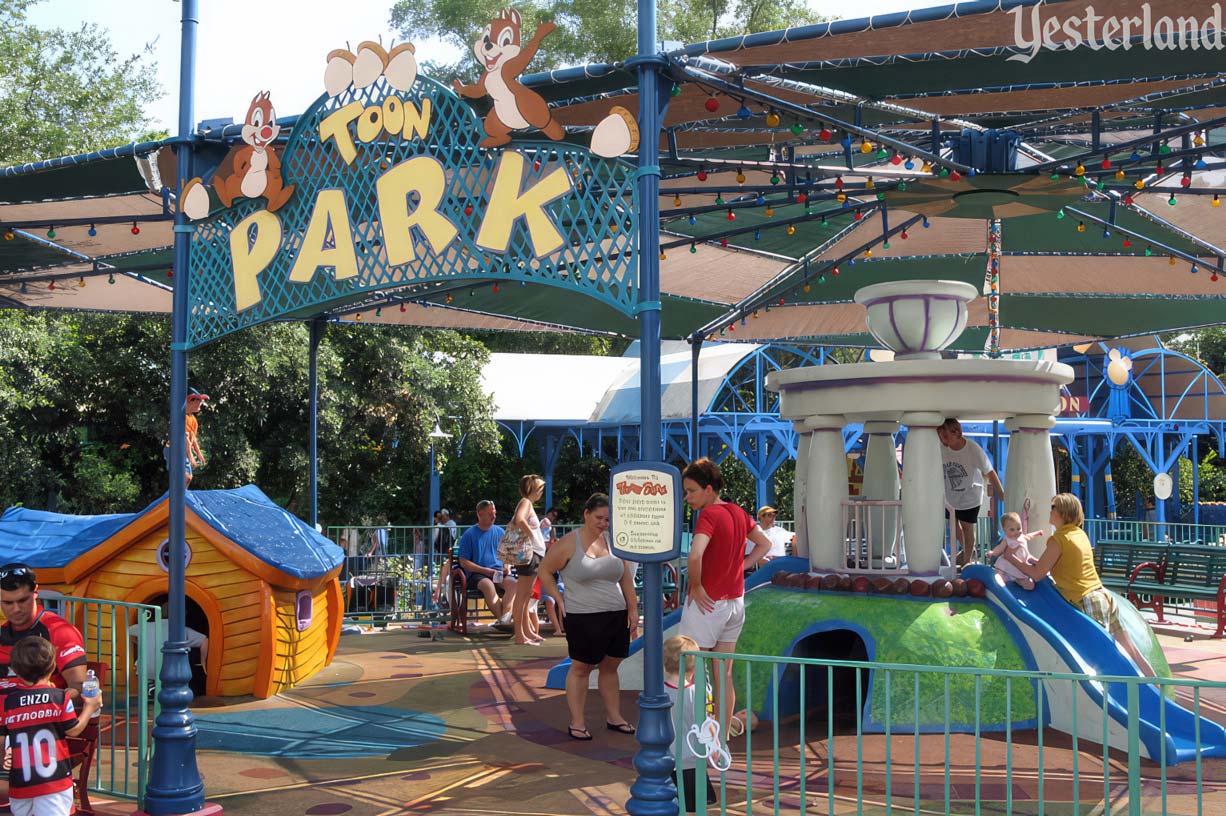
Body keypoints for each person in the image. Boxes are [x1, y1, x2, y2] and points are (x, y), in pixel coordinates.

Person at [1006, 493, 1156, 676]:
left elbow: (1037, 574)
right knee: (1131, 651)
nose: (1050, 510)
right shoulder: (1079, 534)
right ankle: (1156, 687)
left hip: (1086, 600)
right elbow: (1052, 564)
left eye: (1053, 507)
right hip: (1104, 597)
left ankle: (1107, 696)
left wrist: (1011, 559)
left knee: (1099, 658)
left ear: (1063, 512)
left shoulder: (1059, 539)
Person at [681, 458, 772, 740]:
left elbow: (695, 555)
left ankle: (695, 736)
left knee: (691, 671)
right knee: (724, 673)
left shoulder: (708, 516)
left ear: (709, 489)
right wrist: (742, 566)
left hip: (708, 603)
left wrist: (695, 585)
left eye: (691, 491)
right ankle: (719, 738)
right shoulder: (738, 512)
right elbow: (765, 544)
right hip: (735, 602)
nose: (687, 497)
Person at [538, 493, 638, 741]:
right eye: (599, 518)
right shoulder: (569, 543)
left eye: (607, 519)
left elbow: (625, 578)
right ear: (586, 514)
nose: (604, 523)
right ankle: (577, 722)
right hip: (582, 615)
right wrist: (558, 599)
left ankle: (614, 716)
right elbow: (545, 571)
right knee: (581, 667)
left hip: (615, 614)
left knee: (611, 665)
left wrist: (633, 609)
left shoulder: (614, 542)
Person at [1, 638, 100, 816]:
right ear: (53, 666)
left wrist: (9, 751)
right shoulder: (59, 697)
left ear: (15, 670)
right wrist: (90, 707)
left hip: (20, 783)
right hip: (53, 782)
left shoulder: (9, 702)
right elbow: (73, 729)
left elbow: (5, 736)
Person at [0, 565, 87, 696]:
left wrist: (43, 703)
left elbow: (80, 689)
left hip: (46, 712)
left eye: (23, 600)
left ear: (36, 592)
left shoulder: (61, 631)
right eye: (8, 603)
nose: (16, 609)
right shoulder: (2, 633)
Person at [937, 418, 1004, 567]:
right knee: (953, 527)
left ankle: (967, 560)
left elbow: (990, 471)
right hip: (950, 496)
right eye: (940, 436)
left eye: (946, 436)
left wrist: (1001, 493)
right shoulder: (942, 448)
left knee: (967, 527)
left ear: (957, 433)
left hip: (971, 495)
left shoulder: (973, 449)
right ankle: (969, 550)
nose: (943, 440)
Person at [664, 634, 718, 813]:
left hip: (666, 759)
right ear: (694, 665)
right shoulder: (697, 692)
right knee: (695, 807)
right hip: (692, 760)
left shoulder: (659, 691)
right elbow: (705, 724)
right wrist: (715, 747)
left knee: (670, 804)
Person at [127, 605, 209, 697]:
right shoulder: (181, 630)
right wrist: (203, 662)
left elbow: (128, 631)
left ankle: (152, 687)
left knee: (151, 674)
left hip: (145, 670)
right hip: (170, 672)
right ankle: (169, 689)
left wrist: (141, 642)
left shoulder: (143, 626)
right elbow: (204, 640)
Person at [456, 501, 516, 623]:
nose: (493, 516)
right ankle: (504, 622)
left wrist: (507, 567)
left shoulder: (500, 532)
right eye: (490, 513)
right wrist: (486, 571)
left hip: (498, 572)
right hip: (478, 574)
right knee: (488, 586)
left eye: (494, 513)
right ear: (480, 514)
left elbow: (507, 556)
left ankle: (505, 620)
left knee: (513, 584)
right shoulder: (469, 534)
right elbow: (464, 562)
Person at [507, 475, 549, 646]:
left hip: (534, 554)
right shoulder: (525, 502)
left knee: (525, 596)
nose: (541, 492)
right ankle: (519, 635)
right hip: (530, 555)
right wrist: (532, 535)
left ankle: (526, 631)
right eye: (539, 488)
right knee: (522, 596)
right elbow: (519, 520)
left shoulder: (528, 504)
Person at [987, 512, 1046, 590]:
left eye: (1019, 528)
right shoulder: (1007, 540)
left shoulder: (1022, 537)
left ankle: (1022, 581)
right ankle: (999, 581)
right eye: (1012, 530)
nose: (1016, 532)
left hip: (1019, 563)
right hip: (1008, 563)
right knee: (1001, 569)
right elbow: (1000, 548)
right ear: (1004, 530)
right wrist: (993, 552)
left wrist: (1037, 533)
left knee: (1023, 577)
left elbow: (1029, 536)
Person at [164, 388, 208, 487]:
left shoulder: (193, 420)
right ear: (189, 401)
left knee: (189, 478)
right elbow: (186, 440)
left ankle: (183, 497)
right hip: (173, 450)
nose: (200, 404)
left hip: (183, 451)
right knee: (184, 476)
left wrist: (199, 453)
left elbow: (193, 439)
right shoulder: (181, 418)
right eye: (198, 401)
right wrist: (191, 458)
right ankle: (175, 497)